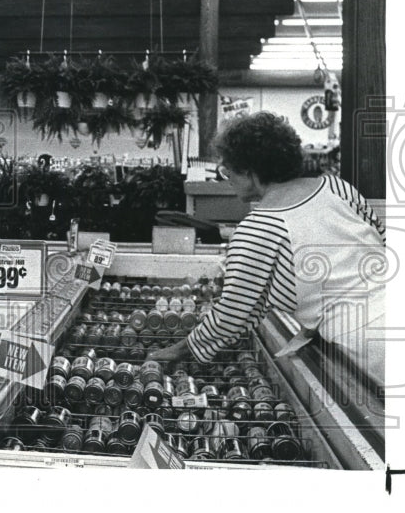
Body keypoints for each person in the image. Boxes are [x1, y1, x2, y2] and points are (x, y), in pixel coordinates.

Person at [147, 112, 385, 386]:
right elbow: (384, 244)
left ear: (250, 172)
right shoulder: (338, 188)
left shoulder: (257, 228)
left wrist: (177, 351)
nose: (227, 178)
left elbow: (232, 315)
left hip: (365, 344)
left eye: (228, 170)